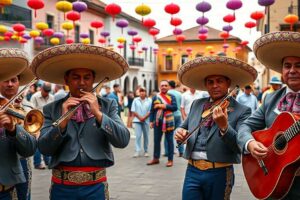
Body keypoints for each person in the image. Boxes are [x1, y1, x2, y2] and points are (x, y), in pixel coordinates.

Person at [31, 43, 130, 200]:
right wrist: (62, 121)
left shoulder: (107, 105)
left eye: (87, 78)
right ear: (66, 80)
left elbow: (123, 140)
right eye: (76, 78)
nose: (82, 83)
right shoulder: (52, 108)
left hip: (96, 186)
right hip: (62, 186)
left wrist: (98, 113)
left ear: (94, 80)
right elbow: (45, 148)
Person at [175, 56, 257, 200]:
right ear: (206, 85)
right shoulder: (197, 104)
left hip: (219, 172)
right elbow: (183, 126)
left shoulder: (241, 110)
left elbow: (238, 146)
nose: (215, 85)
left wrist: (224, 126)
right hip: (192, 170)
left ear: (228, 83)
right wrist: (180, 132)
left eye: (220, 81)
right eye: (210, 82)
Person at [237, 31, 300, 199]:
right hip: (272, 178)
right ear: (282, 71)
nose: (292, 70)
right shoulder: (271, 99)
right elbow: (245, 126)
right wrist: (249, 143)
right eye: (287, 66)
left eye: (298, 65)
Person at [0, 48, 37, 200]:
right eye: (6, 80)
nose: (10, 84)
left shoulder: (27, 109)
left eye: (14, 80)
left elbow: (32, 144)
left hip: (21, 162)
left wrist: (14, 128)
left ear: (19, 83)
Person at [147, 80, 177, 167]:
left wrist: (163, 106)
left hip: (169, 121)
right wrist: (151, 121)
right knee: (156, 141)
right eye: (162, 85)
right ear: (160, 87)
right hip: (157, 121)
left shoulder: (172, 96)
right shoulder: (155, 97)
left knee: (169, 141)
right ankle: (156, 158)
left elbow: (175, 107)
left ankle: (170, 160)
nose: (163, 87)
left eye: (165, 85)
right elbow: (152, 110)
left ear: (168, 87)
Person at [30, 82, 54, 169]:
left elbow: (53, 110)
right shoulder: (35, 96)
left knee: (48, 140)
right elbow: (31, 110)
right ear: (41, 89)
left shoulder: (52, 97)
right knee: (38, 142)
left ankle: (48, 161)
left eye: (48, 92)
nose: (46, 93)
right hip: (37, 121)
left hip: (48, 122)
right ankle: (37, 163)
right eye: (45, 91)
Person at [131, 87, 152, 157]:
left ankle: (146, 151)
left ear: (146, 92)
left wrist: (144, 117)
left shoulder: (149, 100)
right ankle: (137, 150)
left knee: (146, 136)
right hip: (137, 120)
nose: (142, 93)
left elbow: (150, 111)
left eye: (143, 91)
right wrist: (140, 117)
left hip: (146, 120)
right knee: (138, 136)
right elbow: (133, 110)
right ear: (139, 92)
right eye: (141, 91)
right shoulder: (135, 100)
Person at [165, 80, 183, 157]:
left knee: (168, 134)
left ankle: (168, 151)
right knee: (179, 133)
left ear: (169, 86)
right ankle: (181, 151)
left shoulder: (167, 94)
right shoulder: (179, 94)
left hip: (170, 115)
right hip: (178, 115)